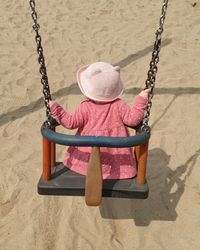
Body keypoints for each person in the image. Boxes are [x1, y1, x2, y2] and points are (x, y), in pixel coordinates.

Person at [49, 61, 150, 179]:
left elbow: (70, 123)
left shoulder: (85, 106)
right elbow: (133, 120)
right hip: (116, 162)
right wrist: (141, 99)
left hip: (87, 160)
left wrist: (55, 109)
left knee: (88, 165)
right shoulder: (119, 105)